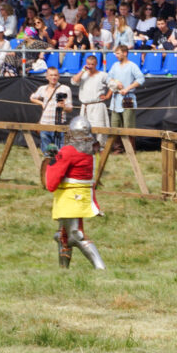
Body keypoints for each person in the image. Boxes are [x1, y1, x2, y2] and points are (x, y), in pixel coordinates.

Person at [43, 117, 105, 270]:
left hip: (70, 197)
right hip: (78, 195)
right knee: (62, 235)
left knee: (76, 234)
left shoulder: (68, 151)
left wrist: (51, 159)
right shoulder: (91, 149)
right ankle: (63, 270)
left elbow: (52, 181)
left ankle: (101, 268)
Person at [30, 67, 73, 155]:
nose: (53, 77)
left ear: (59, 76)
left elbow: (70, 108)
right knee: (47, 153)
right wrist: (41, 103)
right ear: (47, 77)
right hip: (44, 124)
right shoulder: (42, 88)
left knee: (60, 153)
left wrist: (63, 107)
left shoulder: (65, 89)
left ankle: (59, 168)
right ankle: (48, 168)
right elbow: (32, 98)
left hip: (58, 124)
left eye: (55, 75)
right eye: (51, 75)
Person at [70, 55, 110, 146]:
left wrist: (107, 96)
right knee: (83, 128)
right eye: (88, 64)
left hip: (97, 105)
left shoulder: (102, 75)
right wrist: (82, 71)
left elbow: (113, 84)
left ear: (96, 64)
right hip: (85, 105)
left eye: (92, 64)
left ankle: (102, 147)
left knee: (100, 128)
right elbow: (74, 81)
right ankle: (85, 147)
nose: (90, 66)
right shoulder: (83, 75)